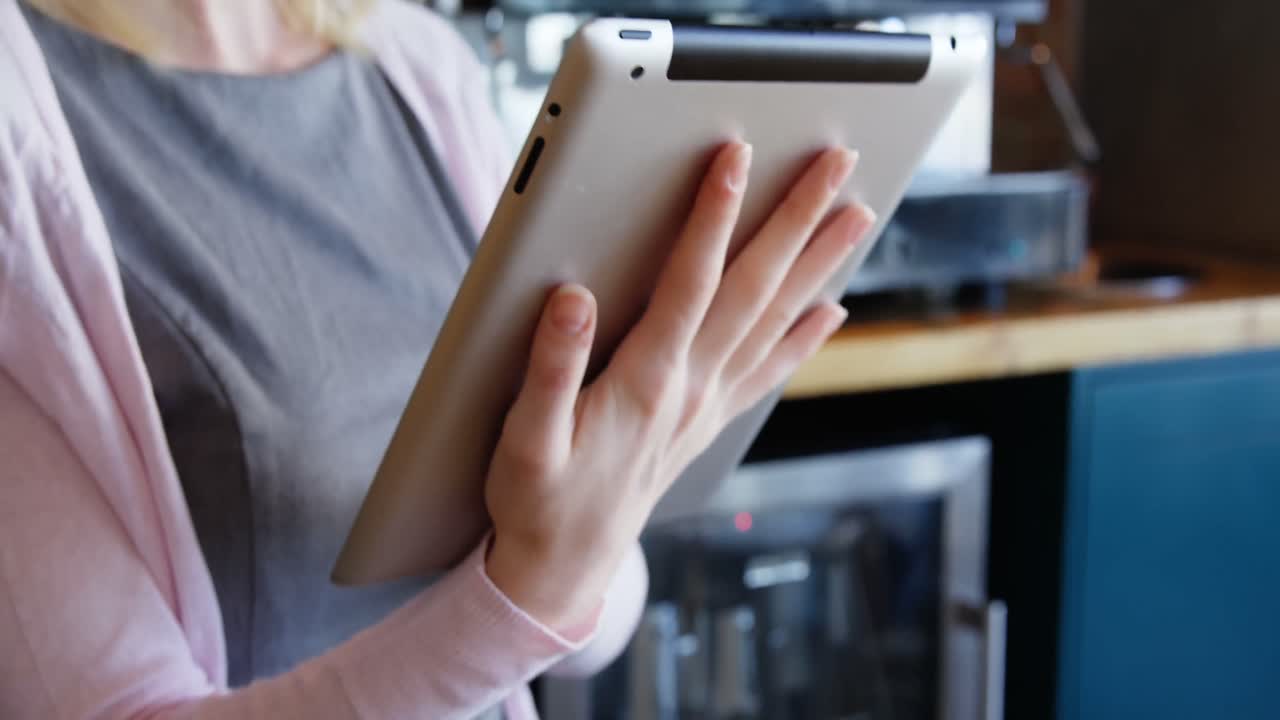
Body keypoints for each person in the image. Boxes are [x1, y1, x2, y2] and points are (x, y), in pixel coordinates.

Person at [0, 0, 876, 718]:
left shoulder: (414, 61)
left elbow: (594, 623)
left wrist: (585, 538)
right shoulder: (18, 111)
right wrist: (529, 589)